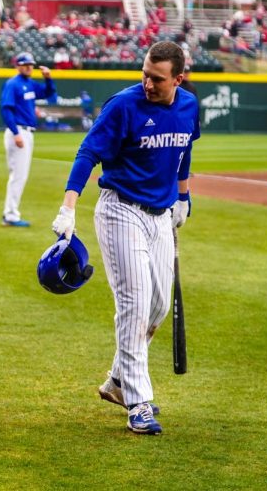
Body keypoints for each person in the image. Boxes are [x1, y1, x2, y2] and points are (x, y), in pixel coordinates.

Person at [50, 41, 200, 435]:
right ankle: (139, 402)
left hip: (161, 215)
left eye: (157, 78)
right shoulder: (123, 105)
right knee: (133, 306)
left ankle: (117, 381)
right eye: (145, 74)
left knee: (157, 308)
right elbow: (88, 153)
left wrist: (183, 196)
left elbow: (184, 153)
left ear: (178, 79)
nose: (148, 83)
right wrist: (69, 206)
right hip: (120, 210)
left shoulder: (188, 106)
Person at [0, 52, 57, 227]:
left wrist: (48, 78)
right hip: (19, 131)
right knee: (19, 175)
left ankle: (10, 213)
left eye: (31, 64)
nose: (29, 67)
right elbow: (6, 109)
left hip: (26, 132)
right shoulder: (13, 84)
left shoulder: (30, 84)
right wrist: (16, 133)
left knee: (18, 175)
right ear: (17, 65)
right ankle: (10, 215)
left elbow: (48, 93)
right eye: (25, 64)